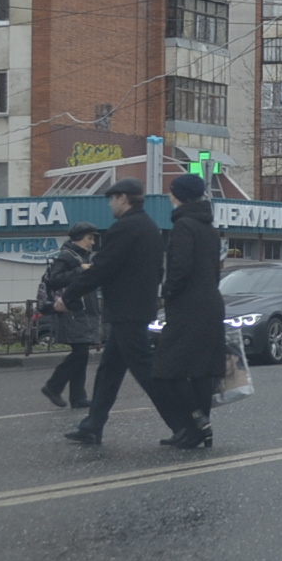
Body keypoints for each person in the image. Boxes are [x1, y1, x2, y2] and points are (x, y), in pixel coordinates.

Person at [60, 180, 190, 447]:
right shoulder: (150, 227)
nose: (109, 205)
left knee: (147, 371)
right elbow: (157, 271)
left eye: (112, 199)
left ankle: (183, 425)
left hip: (127, 312)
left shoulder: (125, 228)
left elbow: (102, 268)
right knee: (109, 370)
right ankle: (93, 426)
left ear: (123, 199)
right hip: (136, 309)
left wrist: (68, 295)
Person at [151, 175, 226, 449]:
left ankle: (195, 422)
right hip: (211, 304)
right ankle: (200, 427)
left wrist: (167, 292)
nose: (170, 198)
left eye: (172, 193)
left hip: (188, 307)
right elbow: (214, 271)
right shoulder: (209, 228)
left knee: (166, 369)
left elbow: (179, 269)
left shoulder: (184, 226)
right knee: (202, 371)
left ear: (180, 196)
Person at [37, 224, 103, 409]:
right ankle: (53, 386)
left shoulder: (82, 257)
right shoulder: (67, 256)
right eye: (89, 238)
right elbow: (55, 279)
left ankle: (78, 397)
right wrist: (80, 270)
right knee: (80, 353)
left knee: (81, 353)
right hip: (73, 312)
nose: (92, 242)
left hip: (82, 311)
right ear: (79, 238)